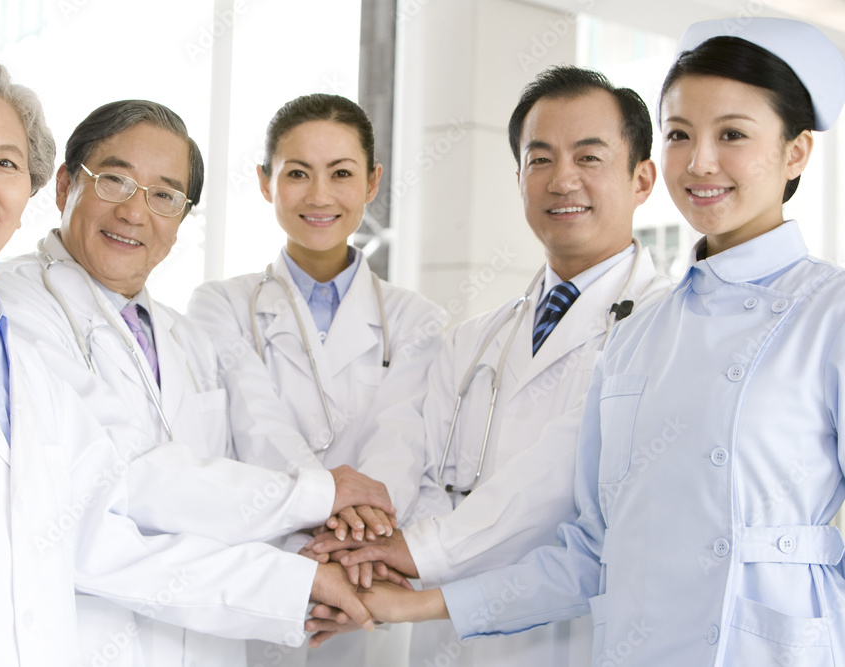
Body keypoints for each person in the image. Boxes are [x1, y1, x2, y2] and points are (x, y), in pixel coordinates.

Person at [340, 16, 845, 666]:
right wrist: (407, 603)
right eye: (680, 135)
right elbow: (589, 554)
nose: (700, 162)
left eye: (733, 135)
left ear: (797, 151)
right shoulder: (640, 338)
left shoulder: (828, 311)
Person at [0, 47, 378, 666]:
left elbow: (96, 538)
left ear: (28, 189)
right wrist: (317, 501)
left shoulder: (20, 361)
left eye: (5, 163)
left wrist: (298, 584)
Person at [0, 99, 399, 666]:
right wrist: (319, 499)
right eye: (114, 180)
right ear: (64, 186)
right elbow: (126, 480)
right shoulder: (10, 309)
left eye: (164, 195)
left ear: (181, 220)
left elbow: (232, 489)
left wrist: (317, 558)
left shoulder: (187, 340)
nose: (136, 212)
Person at [306, 66, 673, 666]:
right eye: (540, 159)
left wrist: (416, 552)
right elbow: (424, 472)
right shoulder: (476, 339)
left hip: (574, 639)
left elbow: (555, 485)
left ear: (642, 179)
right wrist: (372, 561)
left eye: (589, 157)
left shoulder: (666, 329)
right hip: (444, 635)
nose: (563, 180)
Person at [186, 93, 449, 666]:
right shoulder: (220, 305)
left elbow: (401, 445)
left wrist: (349, 548)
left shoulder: (418, 319)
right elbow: (257, 429)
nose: (320, 195)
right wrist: (330, 522)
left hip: (369, 581)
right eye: (298, 173)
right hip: (273, 574)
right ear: (264, 182)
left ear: (373, 182)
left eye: (342, 174)